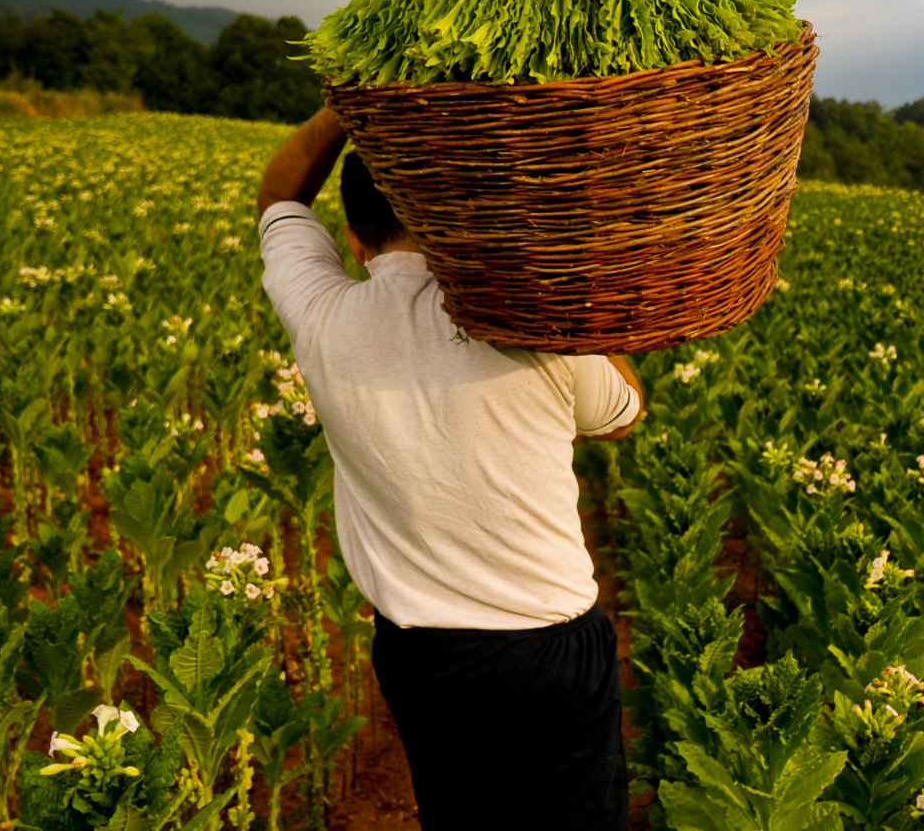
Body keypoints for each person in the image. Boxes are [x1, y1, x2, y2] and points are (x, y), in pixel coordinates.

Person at [254, 104, 642, 830]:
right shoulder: (533, 320)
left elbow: (279, 199)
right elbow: (620, 414)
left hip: (422, 657)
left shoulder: (320, 315)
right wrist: (578, 306)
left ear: (355, 240)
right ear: (460, 217)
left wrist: (346, 106)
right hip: (549, 650)